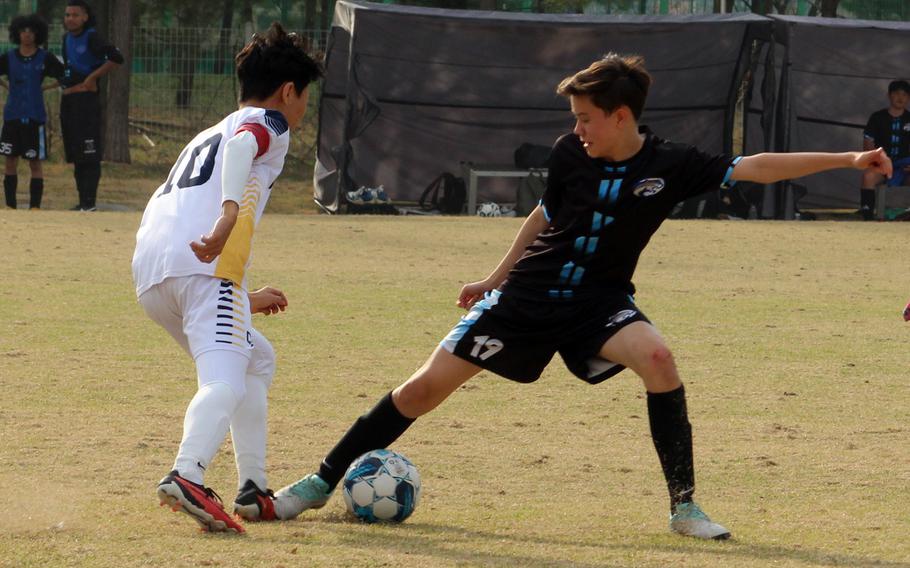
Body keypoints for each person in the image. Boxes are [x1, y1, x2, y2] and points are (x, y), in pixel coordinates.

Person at [273, 54, 892, 540]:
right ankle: (319, 482)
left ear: (621, 116)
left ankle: (684, 507)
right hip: (528, 297)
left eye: (585, 116)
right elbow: (544, 215)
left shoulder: (672, 164)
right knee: (420, 391)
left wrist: (848, 157)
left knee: (658, 359)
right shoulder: (571, 153)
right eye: (574, 118)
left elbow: (755, 166)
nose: (576, 129)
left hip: (598, 304)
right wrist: (494, 279)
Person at [131, 23, 323, 533]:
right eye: (306, 96)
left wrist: (239, 296)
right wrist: (227, 215)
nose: (304, 109)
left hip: (155, 273)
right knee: (225, 376)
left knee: (257, 356)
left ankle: (252, 488)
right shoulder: (269, 122)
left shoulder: (205, 132)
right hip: (202, 268)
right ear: (289, 91)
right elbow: (244, 148)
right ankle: (187, 474)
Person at [59, 0, 123, 211]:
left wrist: (92, 78)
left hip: (87, 103)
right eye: (67, 15)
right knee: (76, 153)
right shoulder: (66, 39)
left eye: (75, 15)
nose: (70, 19)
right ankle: (81, 201)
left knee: (90, 153)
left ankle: (90, 202)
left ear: (85, 17)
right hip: (70, 101)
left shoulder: (92, 37)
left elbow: (116, 58)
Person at [0, 14, 64, 209]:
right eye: (23, 31)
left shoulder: (44, 58)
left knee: (34, 161)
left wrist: (45, 88)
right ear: (17, 33)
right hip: (12, 116)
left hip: (35, 116)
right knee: (10, 161)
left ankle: (35, 206)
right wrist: (6, 86)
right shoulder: (9, 57)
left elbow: (65, 75)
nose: (27, 35)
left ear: (38, 34)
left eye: (31, 31)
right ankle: (10, 206)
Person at [860, 79, 910, 220]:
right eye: (896, 93)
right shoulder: (877, 117)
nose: (900, 98)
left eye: (905, 95)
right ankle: (867, 216)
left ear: (908, 98)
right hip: (882, 164)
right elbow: (868, 143)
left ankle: (905, 215)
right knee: (868, 176)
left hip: (905, 167)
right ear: (889, 95)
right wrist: (877, 161)